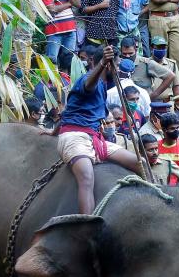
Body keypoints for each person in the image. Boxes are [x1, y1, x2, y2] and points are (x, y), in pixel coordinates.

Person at [56, 44, 140, 214]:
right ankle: (86, 225)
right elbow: (89, 85)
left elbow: (69, 110)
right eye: (116, 65)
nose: (117, 69)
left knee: (140, 163)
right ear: (107, 64)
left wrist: (53, 131)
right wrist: (102, 63)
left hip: (95, 140)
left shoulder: (103, 85)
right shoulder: (87, 79)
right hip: (75, 138)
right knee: (87, 177)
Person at [39, 0, 80, 66]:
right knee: (52, 61)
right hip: (54, 31)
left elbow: (79, 4)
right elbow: (52, 9)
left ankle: (66, 81)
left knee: (68, 60)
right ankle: (50, 82)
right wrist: (70, 3)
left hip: (70, 30)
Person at [148, 35, 179, 100]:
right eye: (159, 47)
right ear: (151, 48)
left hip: (168, 103)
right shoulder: (146, 63)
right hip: (150, 102)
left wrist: (178, 104)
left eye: (163, 47)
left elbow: (176, 88)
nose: (161, 50)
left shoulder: (172, 64)